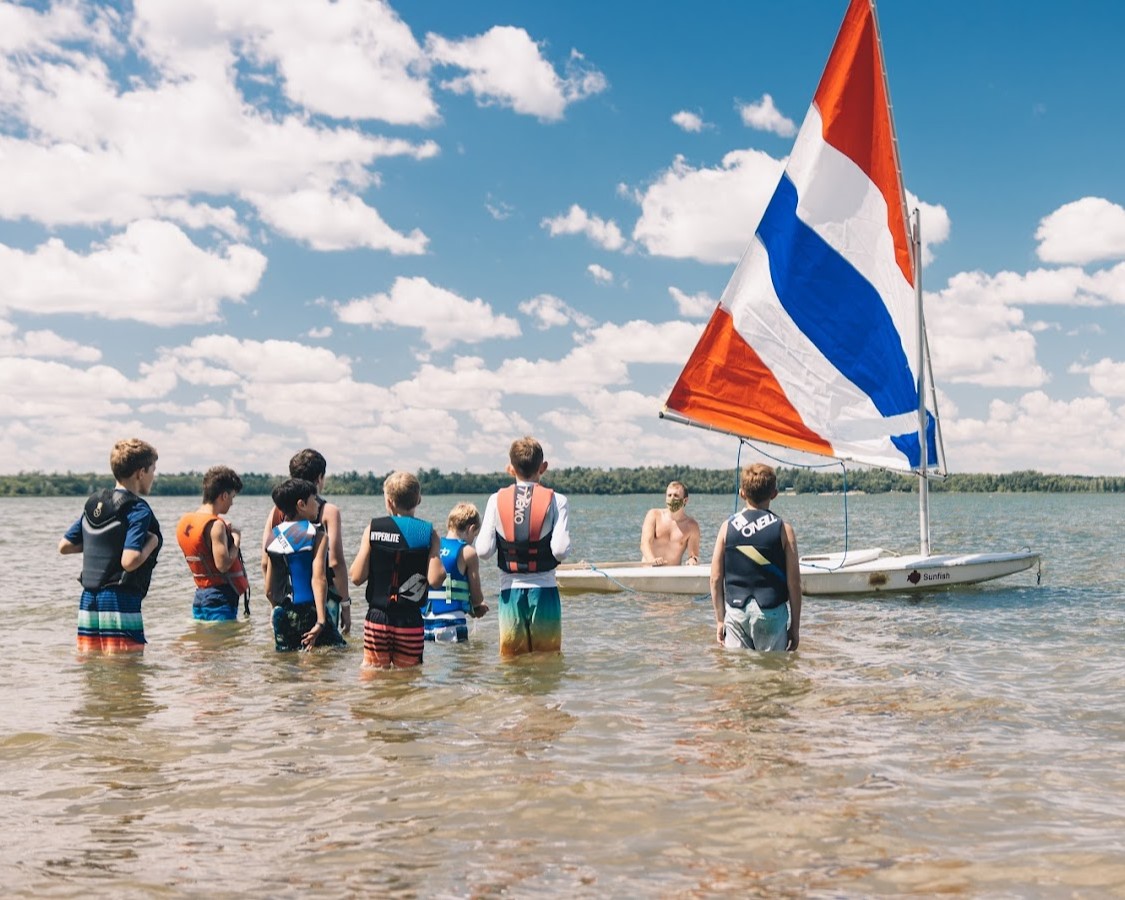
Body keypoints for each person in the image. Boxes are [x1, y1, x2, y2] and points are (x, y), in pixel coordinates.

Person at [58, 439, 162, 652]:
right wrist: (153, 542)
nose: (154, 475)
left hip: (89, 599)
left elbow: (65, 546)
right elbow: (129, 561)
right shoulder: (138, 509)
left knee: (92, 669)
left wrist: (104, 544)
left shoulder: (96, 502)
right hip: (119, 599)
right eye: (153, 469)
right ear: (140, 472)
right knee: (126, 672)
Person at [475, 436, 571, 658]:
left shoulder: (495, 500)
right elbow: (559, 550)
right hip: (545, 592)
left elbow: (484, 551)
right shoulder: (558, 500)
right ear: (543, 467)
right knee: (547, 661)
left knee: (512, 663)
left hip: (510, 594)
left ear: (510, 469)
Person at [349, 471, 445, 668]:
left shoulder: (373, 529)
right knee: (408, 679)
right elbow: (435, 579)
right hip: (409, 619)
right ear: (419, 499)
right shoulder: (427, 533)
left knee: (372, 675)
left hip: (378, 617)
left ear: (389, 502)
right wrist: (434, 548)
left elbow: (357, 577)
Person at [710, 463, 802, 652]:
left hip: (736, 612)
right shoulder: (784, 529)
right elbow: (794, 583)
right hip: (771, 612)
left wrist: (720, 620)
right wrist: (795, 627)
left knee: (738, 676)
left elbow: (715, 578)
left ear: (742, 493)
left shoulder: (727, 527)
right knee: (772, 676)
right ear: (774, 494)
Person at [260, 449, 352, 635]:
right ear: (319, 478)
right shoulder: (328, 511)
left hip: (288, 600)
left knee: (290, 660)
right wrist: (346, 605)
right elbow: (335, 562)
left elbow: (265, 562)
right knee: (324, 659)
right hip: (322, 601)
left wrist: (275, 606)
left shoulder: (278, 511)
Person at [265, 478, 346, 652]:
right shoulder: (317, 534)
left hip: (283, 613)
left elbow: (269, 590)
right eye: (314, 499)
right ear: (301, 504)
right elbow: (319, 578)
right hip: (310, 611)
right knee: (338, 654)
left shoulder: (274, 536)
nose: (318, 504)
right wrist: (321, 620)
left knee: (288, 664)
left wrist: (278, 610)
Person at [175, 466, 249, 621]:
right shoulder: (216, 525)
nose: (232, 503)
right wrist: (236, 539)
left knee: (205, 644)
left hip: (200, 596)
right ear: (223, 496)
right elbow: (223, 565)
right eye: (232, 497)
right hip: (219, 598)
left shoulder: (185, 521)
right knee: (222, 644)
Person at [422, 502, 489, 643]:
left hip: (425, 621)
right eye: (475, 535)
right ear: (471, 529)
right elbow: (477, 598)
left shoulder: (431, 547)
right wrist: (477, 607)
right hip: (451, 622)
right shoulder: (468, 552)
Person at [640, 480, 701, 566]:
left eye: (676, 495)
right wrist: (652, 560)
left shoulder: (692, 526)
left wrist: (692, 560)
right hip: (649, 570)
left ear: (685, 500)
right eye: (669, 495)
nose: (672, 498)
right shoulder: (653, 515)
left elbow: (693, 555)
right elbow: (645, 544)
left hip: (672, 574)